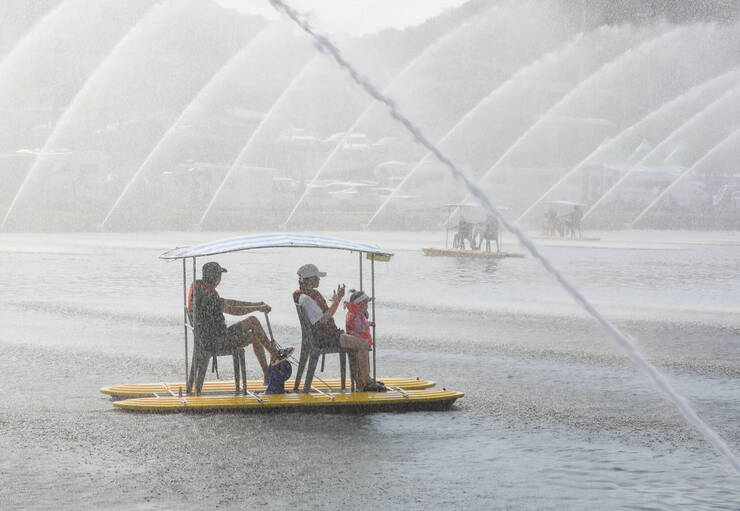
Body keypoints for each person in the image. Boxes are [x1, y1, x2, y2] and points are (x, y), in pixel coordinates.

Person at [188, 261, 293, 395]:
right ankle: (273, 359)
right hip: (216, 341)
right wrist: (256, 308)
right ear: (214, 277)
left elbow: (229, 302)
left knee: (253, 324)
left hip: (211, 336)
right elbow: (232, 310)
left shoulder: (199, 287)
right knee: (254, 328)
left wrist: (256, 304)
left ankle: (270, 367)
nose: (220, 279)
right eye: (219, 275)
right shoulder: (207, 296)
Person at [293, 263, 385, 392]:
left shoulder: (307, 294)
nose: (319, 280)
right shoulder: (306, 299)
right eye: (316, 278)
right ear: (308, 280)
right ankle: (365, 383)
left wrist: (337, 300)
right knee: (363, 343)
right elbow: (323, 320)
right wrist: (337, 301)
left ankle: (364, 380)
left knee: (358, 342)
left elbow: (325, 314)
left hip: (324, 335)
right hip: (323, 338)